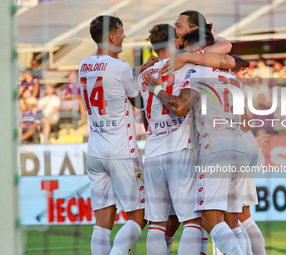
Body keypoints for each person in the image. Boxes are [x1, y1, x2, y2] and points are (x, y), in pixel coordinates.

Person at [144, 27, 245, 255]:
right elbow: (246, 121)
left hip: (175, 150)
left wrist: (156, 88)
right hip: (234, 147)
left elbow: (154, 117)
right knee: (231, 218)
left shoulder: (154, 74)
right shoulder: (231, 77)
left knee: (183, 222)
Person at [78, 15, 146, 255]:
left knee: (102, 223)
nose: (124, 35)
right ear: (111, 36)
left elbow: (111, 78)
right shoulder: (121, 67)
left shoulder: (84, 65)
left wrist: (137, 70)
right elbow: (137, 99)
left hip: (95, 148)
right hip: (120, 150)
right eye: (121, 31)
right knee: (139, 215)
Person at [232, 57, 268, 255]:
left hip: (239, 151)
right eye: (244, 73)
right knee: (235, 216)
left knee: (239, 215)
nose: (248, 77)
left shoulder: (235, 90)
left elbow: (244, 124)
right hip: (243, 149)